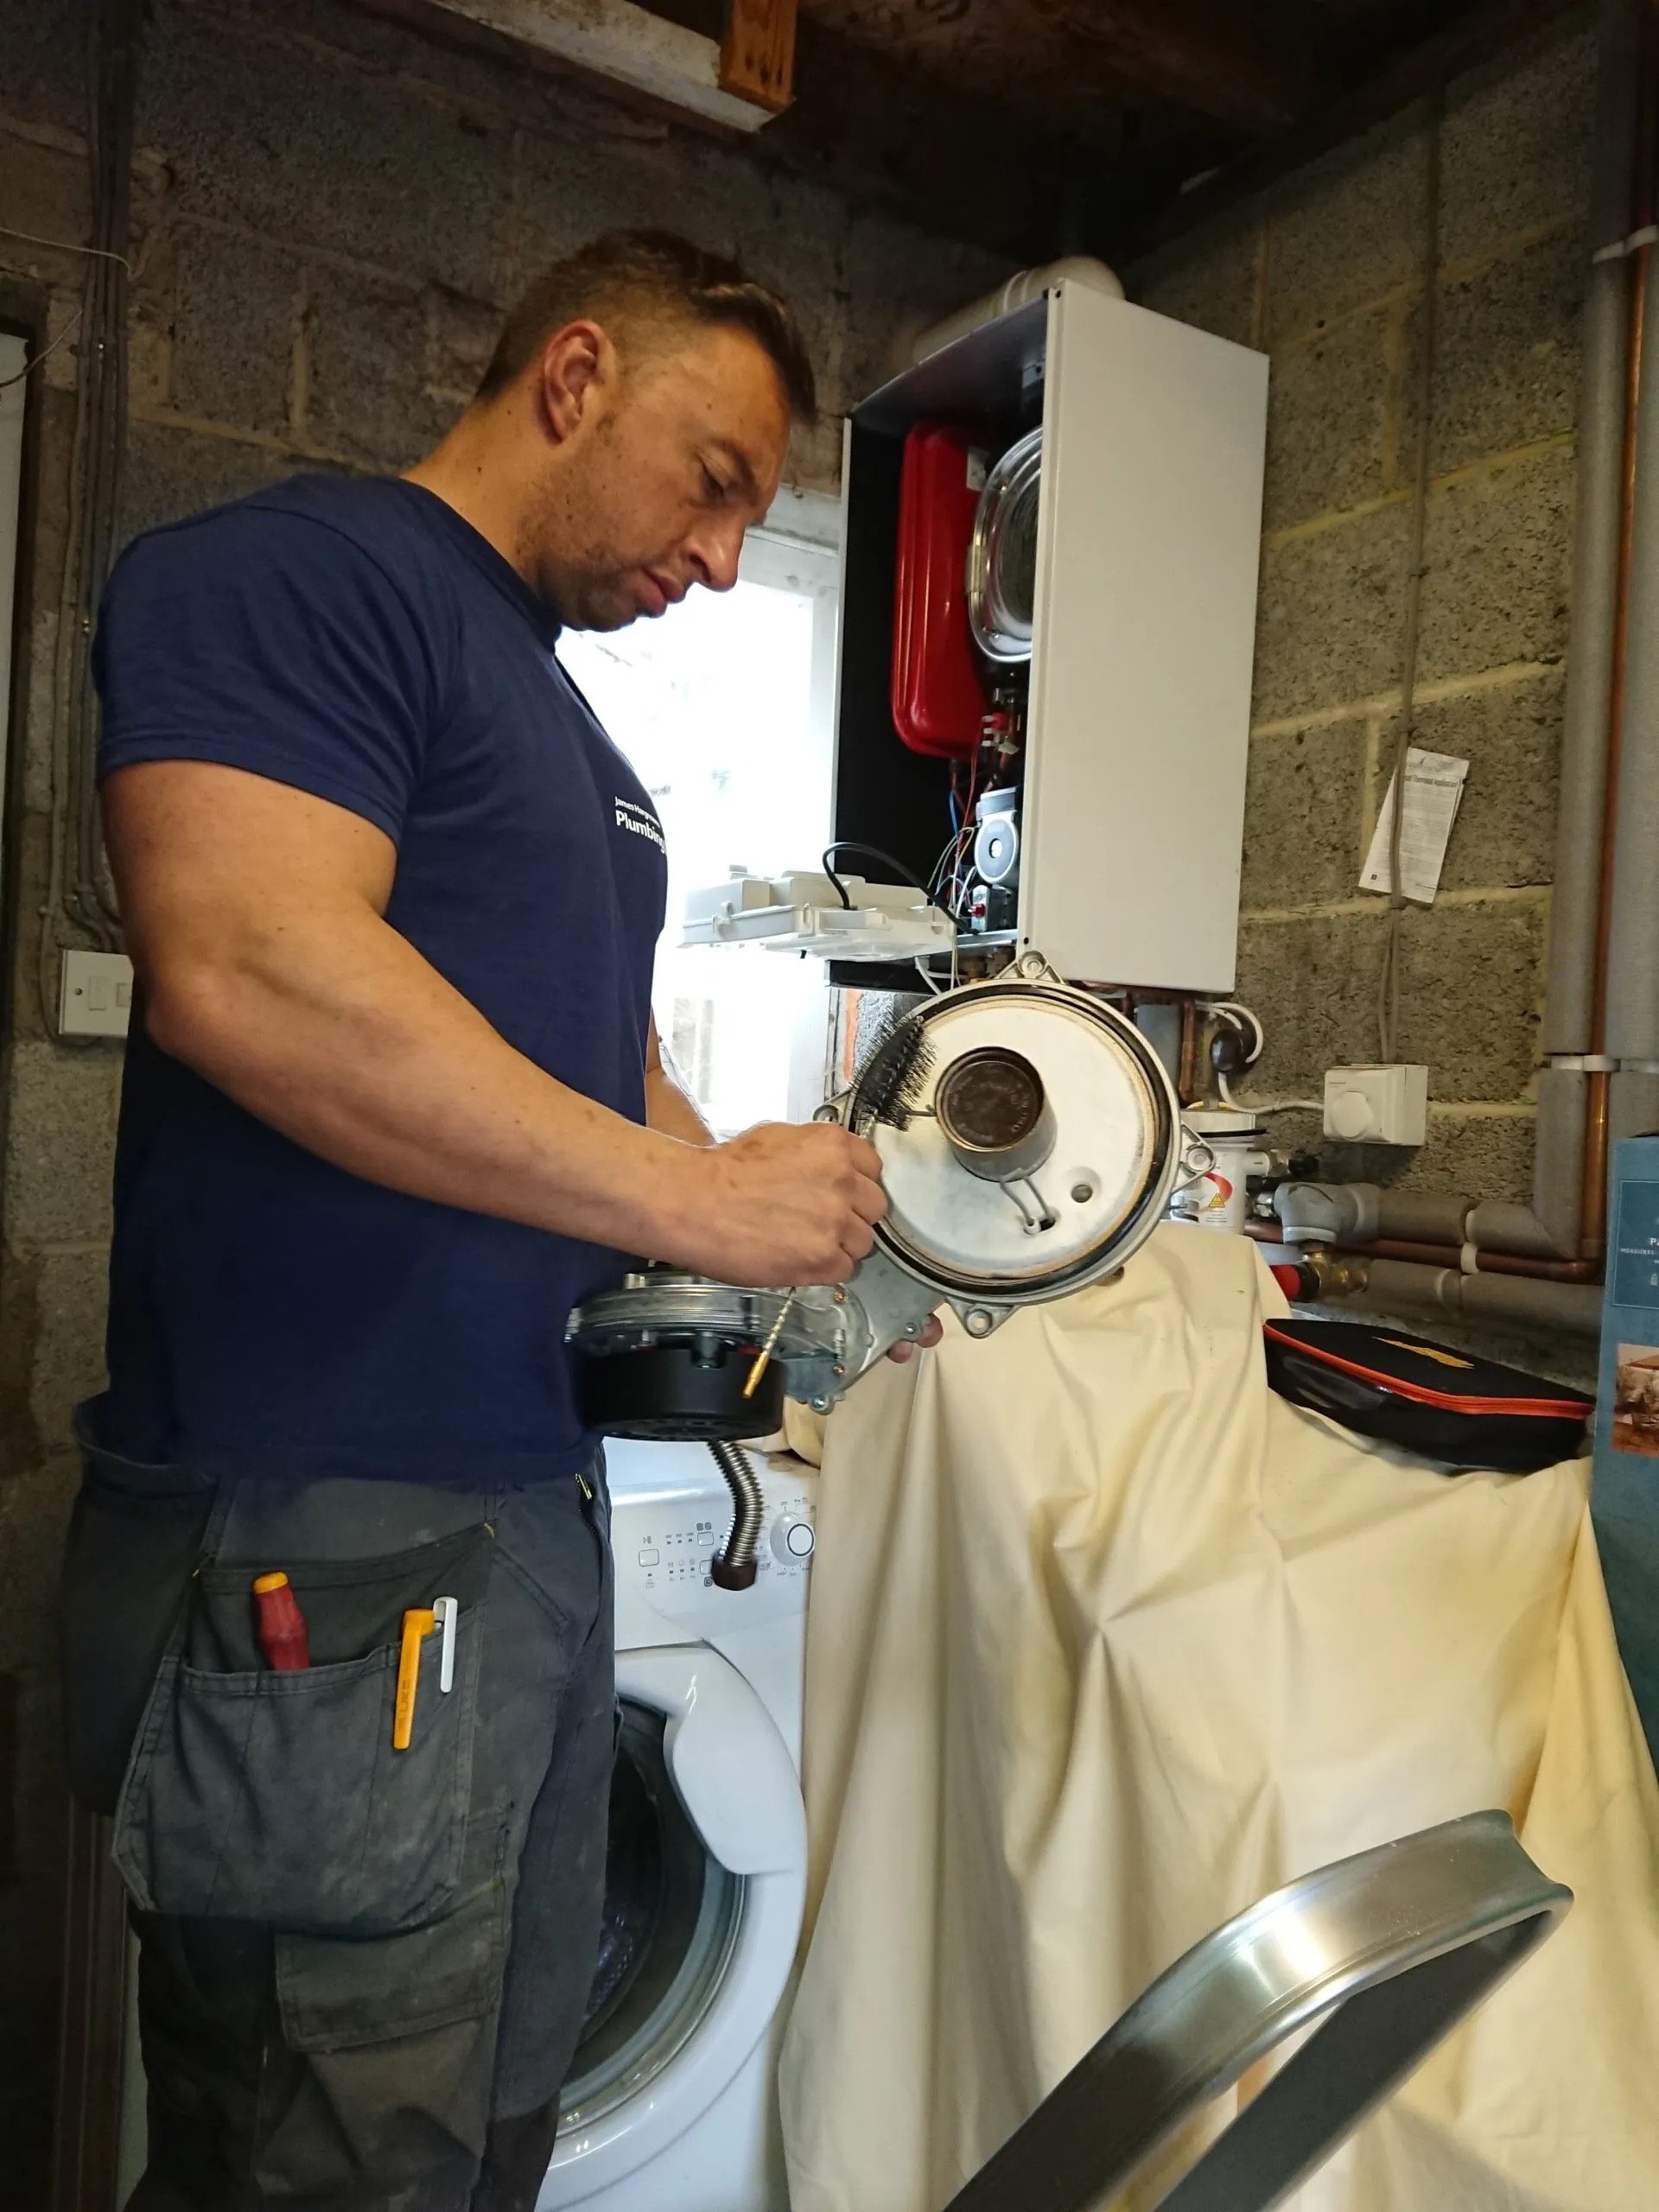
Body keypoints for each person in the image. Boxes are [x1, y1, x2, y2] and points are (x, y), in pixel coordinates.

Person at [63, 230, 932, 2212]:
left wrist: (822, 1242)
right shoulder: (299, 576)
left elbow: (609, 1073)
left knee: (486, 2130)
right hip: (321, 1518)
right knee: (321, 2155)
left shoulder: (586, 750)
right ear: (575, 374)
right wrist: (691, 1193)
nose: (724, 558)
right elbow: (252, 966)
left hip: (525, 1523)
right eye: (714, 480)